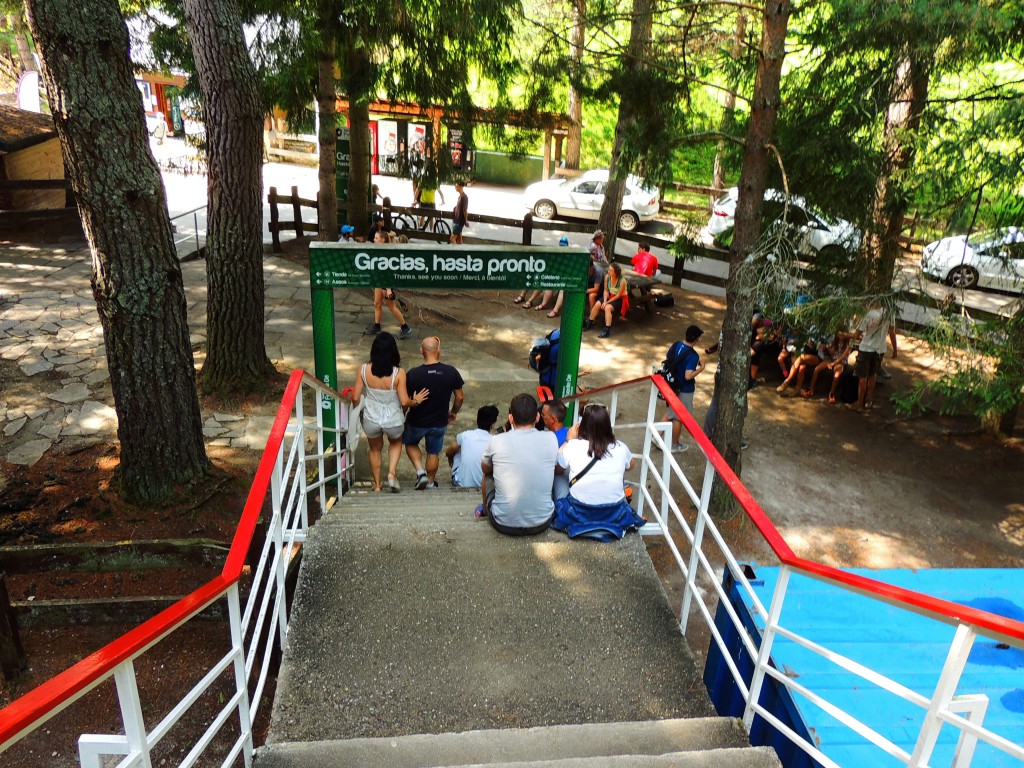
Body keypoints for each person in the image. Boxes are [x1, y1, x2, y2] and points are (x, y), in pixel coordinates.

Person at [551, 403, 645, 541]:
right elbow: (630, 466)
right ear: (607, 426)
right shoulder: (620, 447)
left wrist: (568, 440)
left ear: (581, 426)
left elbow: (558, 469)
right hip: (614, 513)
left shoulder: (573, 446)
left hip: (578, 512)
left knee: (559, 476)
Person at [350, 332, 429, 493]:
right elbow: (405, 401)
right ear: (394, 351)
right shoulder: (398, 373)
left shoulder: (363, 370)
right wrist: (417, 400)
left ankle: (377, 485)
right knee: (395, 443)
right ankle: (392, 473)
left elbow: (355, 397)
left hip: (371, 419)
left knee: (375, 449)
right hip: (393, 420)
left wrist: (358, 412)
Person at [480, 393, 559, 535]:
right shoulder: (551, 438)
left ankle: (486, 512)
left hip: (502, 523)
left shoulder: (497, 440)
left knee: (487, 475)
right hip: (542, 522)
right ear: (537, 417)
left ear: (510, 418)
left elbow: (484, 468)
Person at [404, 336, 466, 489]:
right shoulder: (451, 372)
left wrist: (402, 413)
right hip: (439, 421)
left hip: (416, 421)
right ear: (439, 351)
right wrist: (453, 412)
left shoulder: (413, 374)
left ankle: (420, 472)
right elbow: (459, 397)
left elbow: (405, 400)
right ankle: (430, 482)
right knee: (433, 452)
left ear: (421, 351)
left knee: (410, 443)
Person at [662, 325, 705, 452]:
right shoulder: (693, 355)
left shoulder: (676, 345)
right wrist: (701, 368)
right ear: (696, 339)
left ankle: (655, 436)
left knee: (671, 412)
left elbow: (669, 357)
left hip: (672, 384)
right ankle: (674, 444)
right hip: (684, 388)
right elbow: (688, 376)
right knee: (678, 417)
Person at [849, 301, 897, 413]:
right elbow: (892, 332)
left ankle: (859, 403)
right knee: (872, 374)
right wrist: (895, 350)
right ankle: (869, 401)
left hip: (866, 347)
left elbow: (859, 331)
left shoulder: (869, 314)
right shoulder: (889, 314)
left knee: (862, 376)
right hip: (880, 349)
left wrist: (851, 344)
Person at [446, 405, 499, 488]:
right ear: (492, 424)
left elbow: (449, 451)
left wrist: (450, 459)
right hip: (485, 485)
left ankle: (462, 475)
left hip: (461, 483)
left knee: (459, 449)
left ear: (477, 420)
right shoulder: (495, 440)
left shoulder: (465, 435)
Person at [586, 262, 629, 338]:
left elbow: (619, 295)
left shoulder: (622, 281)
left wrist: (607, 303)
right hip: (610, 296)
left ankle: (607, 330)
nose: (608, 271)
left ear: (616, 272)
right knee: (598, 304)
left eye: (610, 270)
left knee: (607, 307)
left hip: (620, 299)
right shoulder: (607, 277)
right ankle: (590, 322)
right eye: (608, 269)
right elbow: (606, 291)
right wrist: (605, 301)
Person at [541, 398, 570, 500]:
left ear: (553, 419)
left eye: (543, 415)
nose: (541, 417)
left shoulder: (548, 440)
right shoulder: (570, 433)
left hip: (559, 477)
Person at [450, 180, 469, 244]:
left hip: (460, 221)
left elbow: (465, 210)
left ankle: (455, 253)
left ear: (461, 186)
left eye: (456, 186)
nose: (455, 187)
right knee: (459, 239)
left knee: (452, 238)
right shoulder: (460, 196)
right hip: (457, 219)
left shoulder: (464, 197)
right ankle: (462, 252)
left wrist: (466, 220)